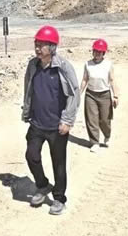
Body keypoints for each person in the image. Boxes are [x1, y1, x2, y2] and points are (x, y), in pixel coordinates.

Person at [21, 25, 79, 216]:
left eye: (42, 45)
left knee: (58, 163)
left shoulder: (63, 67)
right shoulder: (33, 65)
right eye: (36, 44)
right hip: (37, 123)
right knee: (31, 155)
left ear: (52, 47)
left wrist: (67, 120)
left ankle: (59, 198)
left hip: (57, 126)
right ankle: (43, 185)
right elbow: (28, 90)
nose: (38, 48)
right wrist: (27, 111)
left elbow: (74, 94)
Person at [80, 39, 119, 152]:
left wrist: (115, 96)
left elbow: (112, 80)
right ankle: (94, 142)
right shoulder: (88, 64)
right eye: (95, 51)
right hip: (90, 94)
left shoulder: (108, 64)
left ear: (103, 53)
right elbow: (85, 79)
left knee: (105, 120)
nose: (97, 53)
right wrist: (78, 93)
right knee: (91, 120)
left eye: (99, 52)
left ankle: (107, 135)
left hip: (104, 94)